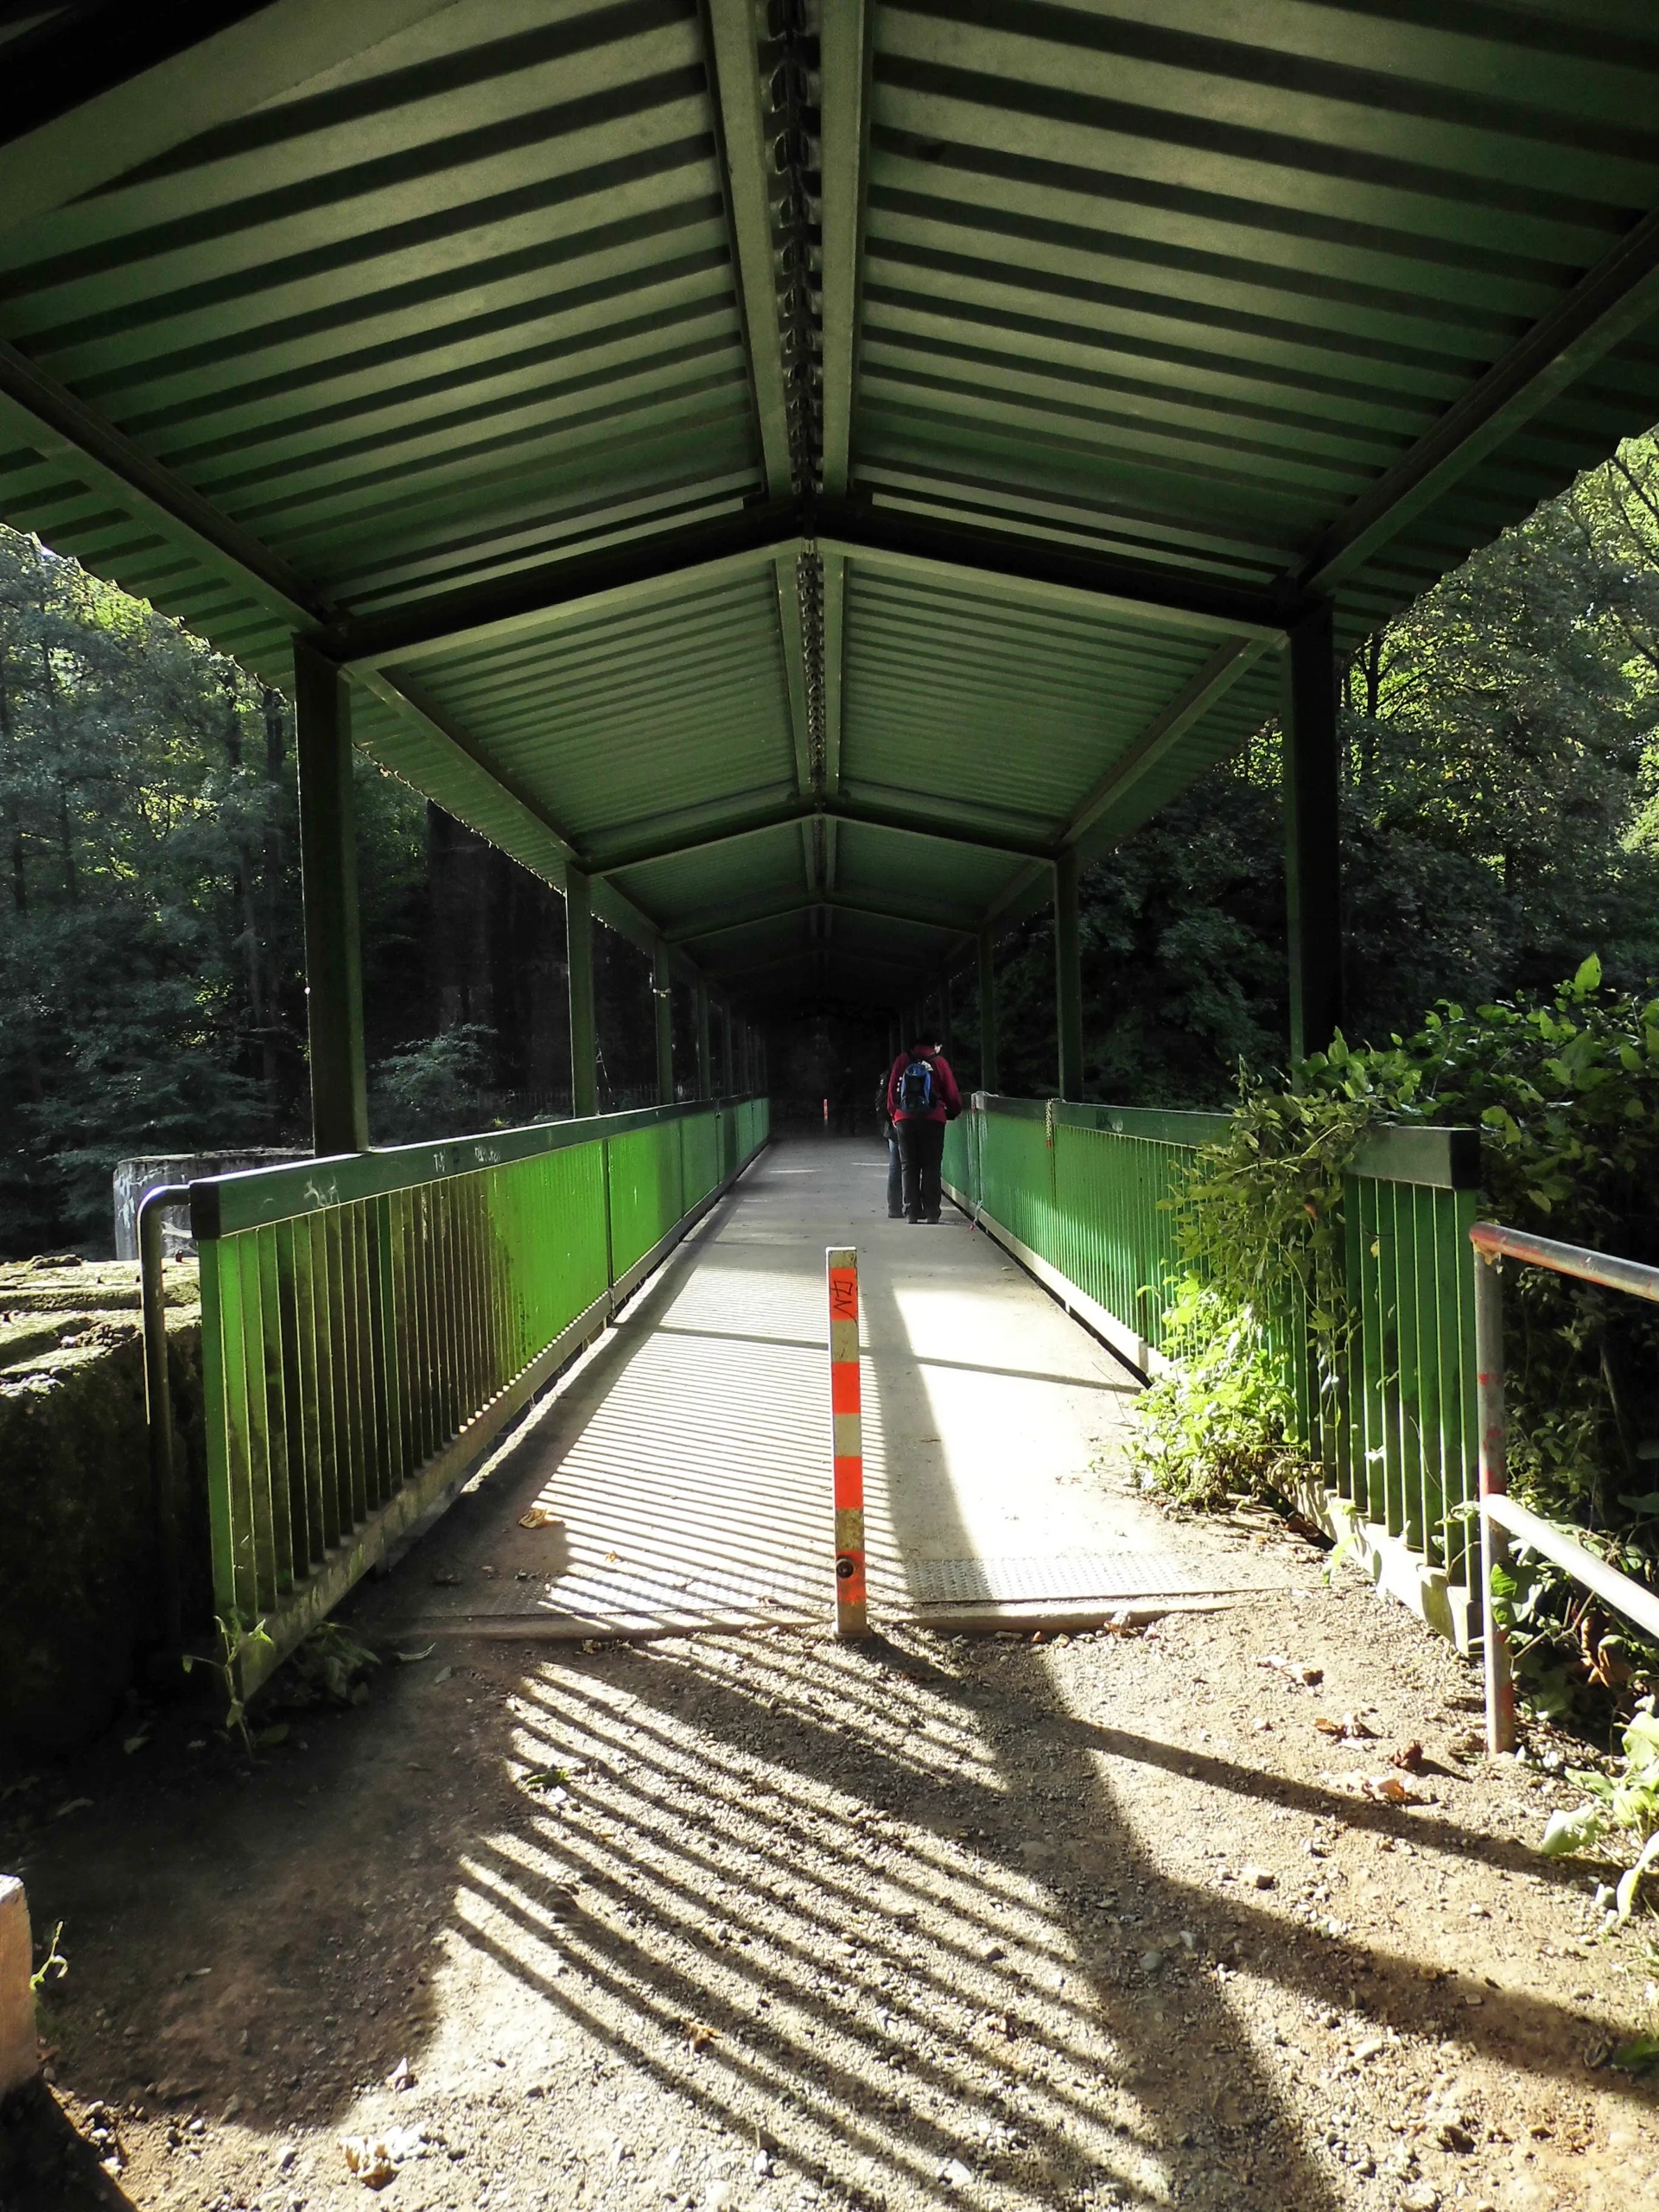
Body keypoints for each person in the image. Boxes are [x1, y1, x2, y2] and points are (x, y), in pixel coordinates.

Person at [887, 1034, 962, 1224]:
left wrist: (895, 1115)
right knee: (931, 1166)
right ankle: (931, 1212)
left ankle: (911, 1212)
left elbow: (892, 1093)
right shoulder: (939, 1062)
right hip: (933, 1119)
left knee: (908, 1166)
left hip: (905, 1119)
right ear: (933, 1045)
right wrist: (951, 1112)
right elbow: (951, 1094)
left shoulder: (902, 1060)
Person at [875, 1067, 903, 1217]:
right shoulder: (922, 1067)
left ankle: (894, 1207)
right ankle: (914, 1206)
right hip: (910, 1120)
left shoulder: (895, 1069)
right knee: (914, 1166)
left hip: (894, 1122)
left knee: (895, 1165)